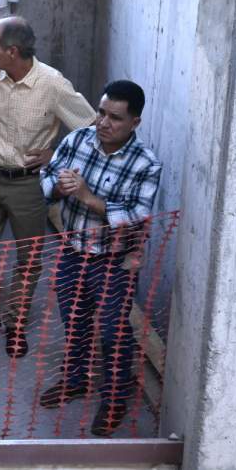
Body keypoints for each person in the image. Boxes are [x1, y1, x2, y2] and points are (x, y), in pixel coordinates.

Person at [0, 16, 96, 358]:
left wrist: (55, 153)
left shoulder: (53, 84)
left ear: (12, 51)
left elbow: (89, 127)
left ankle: (14, 324)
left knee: (29, 259)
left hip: (30, 185)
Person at [39, 80, 162, 437]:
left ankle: (114, 399)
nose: (104, 123)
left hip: (115, 261)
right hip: (73, 252)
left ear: (135, 122)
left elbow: (138, 217)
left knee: (112, 333)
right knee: (74, 322)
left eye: (115, 118)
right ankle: (76, 379)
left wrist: (91, 198)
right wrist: (57, 188)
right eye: (101, 112)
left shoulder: (146, 164)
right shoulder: (78, 139)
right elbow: (46, 178)